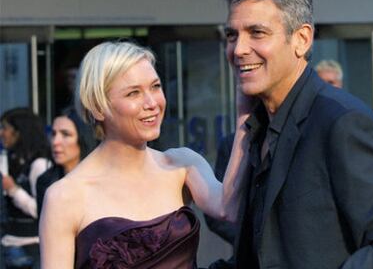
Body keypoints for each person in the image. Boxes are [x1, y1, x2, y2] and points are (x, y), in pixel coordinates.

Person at [220, 0, 373, 268]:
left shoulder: (343, 123)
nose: (239, 49)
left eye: (257, 33)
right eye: (232, 35)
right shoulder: (258, 127)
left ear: (301, 39)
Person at [39, 41, 250, 269]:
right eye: (133, 93)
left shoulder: (182, 165)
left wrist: (244, 115)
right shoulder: (64, 197)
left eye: (156, 86)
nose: (152, 103)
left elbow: (229, 208)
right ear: (97, 107)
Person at [0, 108, 51, 269]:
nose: (2, 133)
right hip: (9, 242)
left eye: (5, 128)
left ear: (19, 131)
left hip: (29, 247)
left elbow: (41, 209)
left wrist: (14, 190)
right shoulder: (11, 159)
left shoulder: (38, 164)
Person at [36, 106, 97, 218]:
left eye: (65, 134)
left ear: (83, 138)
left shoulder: (102, 180)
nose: (55, 142)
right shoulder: (45, 182)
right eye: (53, 134)